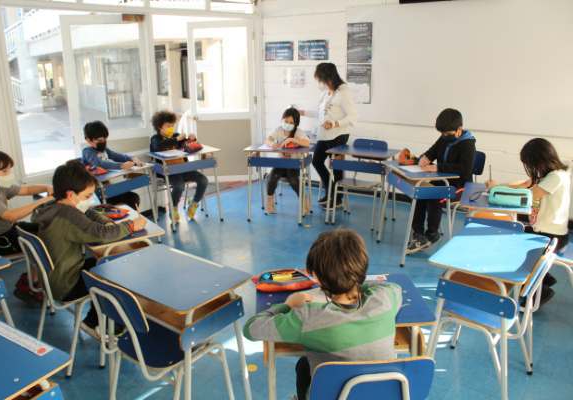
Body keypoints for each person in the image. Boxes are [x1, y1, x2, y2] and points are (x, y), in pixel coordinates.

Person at [243, 229, 401, 400]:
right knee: (304, 365)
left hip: (334, 396)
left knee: (304, 366)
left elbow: (251, 329)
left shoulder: (309, 317)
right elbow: (392, 287)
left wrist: (288, 304)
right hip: (385, 394)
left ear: (318, 277)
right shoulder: (386, 298)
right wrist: (352, 284)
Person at [32, 160, 146, 329]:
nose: (90, 200)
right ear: (71, 195)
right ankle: (102, 324)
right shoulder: (68, 216)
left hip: (53, 278)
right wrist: (131, 226)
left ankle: (94, 319)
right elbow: (101, 235)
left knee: (104, 263)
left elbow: (88, 213)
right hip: (66, 284)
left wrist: (103, 220)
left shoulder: (50, 207)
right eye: (87, 196)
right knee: (116, 271)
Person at [487, 138, 570, 304]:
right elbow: (526, 185)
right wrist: (499, 186)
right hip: (545, 230)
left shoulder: (555, 177)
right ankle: (544, 277)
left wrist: (496, 190)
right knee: (511, 236)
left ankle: (541, 290)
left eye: (531, 164)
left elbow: (529, 196)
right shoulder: (553, 175)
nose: (531, 169)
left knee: (513, 248)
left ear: (540, 160)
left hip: (551, 235)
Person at [407, 108, 476, 254]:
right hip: (443, 181)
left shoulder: (468, 144)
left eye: (447, 134)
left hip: (460, 186)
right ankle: (418, 234)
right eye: (442, 133)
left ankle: (432, 234)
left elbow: (465, 169)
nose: (444, 136)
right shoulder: (444, 137)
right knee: (421, 193)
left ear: (459, 129)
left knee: (435, 196)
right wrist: (425, 158)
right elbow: (433, 151)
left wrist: (438, 167)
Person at [0, 149, 52, 255]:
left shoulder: (0, 186)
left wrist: (47, 187)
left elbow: (27, 190)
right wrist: (45, 200)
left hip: (10, 229)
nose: (9, 174)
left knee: (49, 229)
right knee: (47, 242)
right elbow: (11, 216)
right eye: (4, 171)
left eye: (9, 170)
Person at [300, 63, 357, 208]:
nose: (320, 82)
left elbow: (352, 116)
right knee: (317, 161)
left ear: (328, 77)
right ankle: (331, 192)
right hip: (324, 135)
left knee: (336, 167)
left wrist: (335, 123)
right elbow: (321, 114)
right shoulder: (326, 93)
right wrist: (303, 112)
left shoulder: (343, 92)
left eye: (321, 79)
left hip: (339, 135)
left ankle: (337, 199)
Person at [149, 110, 208, 223]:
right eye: (168, 126)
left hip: (183, 168)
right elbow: (158, 147)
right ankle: (173, 207)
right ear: (160, 127)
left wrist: (191, 139)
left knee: (203, 180)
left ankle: (194, 203)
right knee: (179, 185)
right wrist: (176, 139)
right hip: (168, 171)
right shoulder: (155, 139)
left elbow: (186, 144)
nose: (171, 128)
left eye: (172, 125)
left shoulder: (176, 136)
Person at [81, 120, 142, 209]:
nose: (103, 142)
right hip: (96, 194)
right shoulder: (87, 152)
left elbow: (117, 156)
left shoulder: (104, 150)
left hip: (107, 188)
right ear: (88, 140)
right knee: (127, 200)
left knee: (133, 198)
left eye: (105, 139)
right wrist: (121, 166)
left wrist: (132, 158)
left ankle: (133, 217)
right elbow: (100, 163)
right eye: (100, 140)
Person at [265, 107, 311, 214]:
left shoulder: (298, 132)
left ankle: (304, 202)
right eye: (286, 121)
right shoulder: (278, 130)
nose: (288, 124)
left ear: (296, 123)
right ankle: (270, 202)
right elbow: (268, 139)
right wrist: (272, 143)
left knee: (293, 179)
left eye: (291, 122)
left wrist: (293, 139)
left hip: (294, 165)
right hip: (281, 164)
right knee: (272, 177)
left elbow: (307, 143)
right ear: (282, 119)